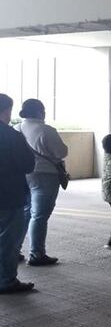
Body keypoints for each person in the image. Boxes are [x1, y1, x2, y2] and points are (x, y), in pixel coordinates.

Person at [15, 99, 69, 266]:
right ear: (39, 112)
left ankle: (14, 250)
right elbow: (61, 152)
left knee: (25, 213)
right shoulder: (46, 130)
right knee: (39, 215)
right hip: (45, 175)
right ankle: (37, 253)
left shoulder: (16, 128)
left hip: (23, 174)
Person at [0, 94, 35, 293]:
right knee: (8, 239)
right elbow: (27, 165)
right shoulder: (11, 135)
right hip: (8, 194)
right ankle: (6, 280)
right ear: (7, 110)